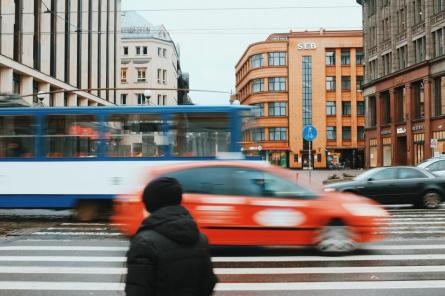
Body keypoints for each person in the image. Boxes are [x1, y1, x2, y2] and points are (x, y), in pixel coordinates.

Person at [125, 177, 217, 296]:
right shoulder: (201, 239)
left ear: (150, 205)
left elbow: (138, 290)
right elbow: (209, 283)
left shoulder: (144, 243)